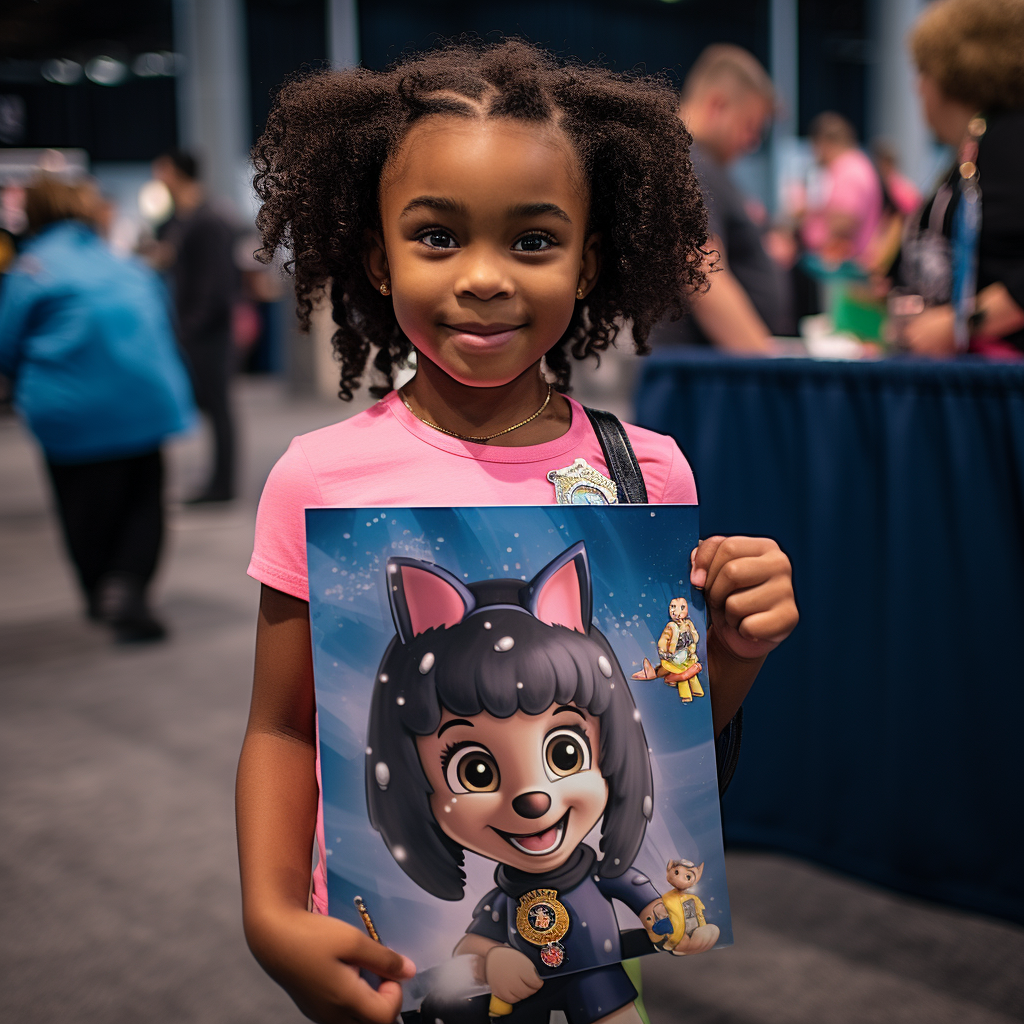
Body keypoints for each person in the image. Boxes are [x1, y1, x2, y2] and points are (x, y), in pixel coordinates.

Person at [236, 40, 799, 1024]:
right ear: (378, 254)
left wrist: (733, 650)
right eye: (437, 237)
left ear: (590, 262)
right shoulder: (317, 479)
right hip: (385, 964)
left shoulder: (645, 474)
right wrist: (270, 913)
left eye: (533, 241)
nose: (486, 278)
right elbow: (282, 726)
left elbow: (651, 744)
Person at [0, 175, 194, 641]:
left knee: (82, 508)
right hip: (147, 404)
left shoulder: (32, 270)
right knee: (145, 502)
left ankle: (99, 590)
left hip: (71, 413)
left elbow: (6, 347)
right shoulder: (125, 264)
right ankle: (128, 585)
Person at [895, 0, 1024, 357]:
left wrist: (961, 325)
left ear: (947, 76)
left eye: (922, 73)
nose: (918, 89)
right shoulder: (977, 146)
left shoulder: (1009, 141)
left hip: (998, 382)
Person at [652, 44, 785, 353]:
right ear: (717, 105)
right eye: (749, 126)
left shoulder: (692, 161)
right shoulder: (691, 161)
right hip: (702, 373)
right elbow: (700, 268)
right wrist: (768, 366)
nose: (752, 142)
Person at [151, 149, 239, 501]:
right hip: (192, 329)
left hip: (208, 333)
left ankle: (223, 485)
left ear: (175, 172)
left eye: (162, 169)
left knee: (219, 408)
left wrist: (190, 328)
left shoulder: (208, 219)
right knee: (210, 408)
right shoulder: (180, 220)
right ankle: (216, 482)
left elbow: (215, 285)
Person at [800, 112, 884, 267]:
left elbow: (843, 223)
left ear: (824, 143)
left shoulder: (849, 170)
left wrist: (807, 212)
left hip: (846, 268)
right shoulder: (855, 165)